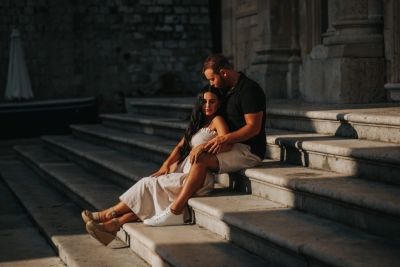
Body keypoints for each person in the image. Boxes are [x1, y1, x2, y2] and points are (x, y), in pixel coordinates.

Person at [82, 85, 232, 246]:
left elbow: (227, 143)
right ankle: (111, 226)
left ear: (219, 103)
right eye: (204, 102)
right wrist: (165, 165)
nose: (207, 106)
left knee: (148, 184)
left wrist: (203, 147)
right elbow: (180, 147)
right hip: (183, 170)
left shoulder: (218, 120)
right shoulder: (197, 123)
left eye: (212, 102)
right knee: (150, 190)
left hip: (197, 176)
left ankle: (107, 215)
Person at [144, 54, 266, 226]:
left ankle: (175, 210)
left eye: (212, 78)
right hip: (230, 145)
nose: (211, 84)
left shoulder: (249, 90)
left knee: (200, 157)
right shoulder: (224, 91)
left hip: (248, 149)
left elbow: (254, 127)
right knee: (195, 155)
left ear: (223, 72)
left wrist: (221, 140)